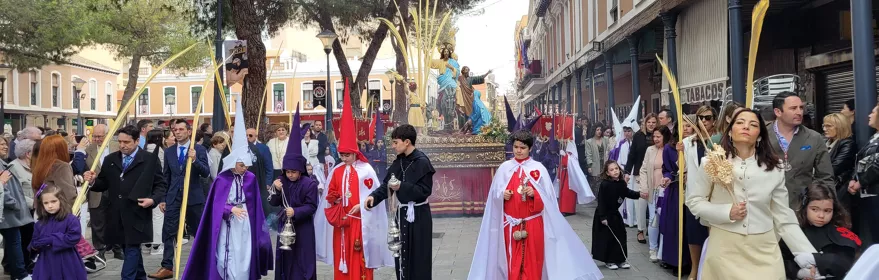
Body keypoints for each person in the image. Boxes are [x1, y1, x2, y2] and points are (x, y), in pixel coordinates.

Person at [686, 108, 819, 279]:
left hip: (765, 250)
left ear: (760, 135)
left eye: (753, 124)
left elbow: (783, 216)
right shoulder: (712, 163)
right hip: (724, 249)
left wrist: (807, 255)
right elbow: (694, 201)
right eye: (740, 122)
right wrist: (726, 212)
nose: (746, 127)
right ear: (730, 132)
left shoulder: (774, 168)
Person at [468, 129, 602, 280]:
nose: (518, 151)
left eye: (523, 147)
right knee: (511, 260)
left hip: (533, 224)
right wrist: (501, 195)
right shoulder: (504, 168)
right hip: (510, 224)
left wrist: (535, 194)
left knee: (533, 260)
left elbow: (549, 200)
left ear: (530, 148)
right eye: (516, 147)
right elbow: (494, 196)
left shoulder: (538, 169)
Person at [181, 101, 273, 280]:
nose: (245, 168)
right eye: (241, 165)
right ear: (233, 162)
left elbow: (256, 203)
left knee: (244, 252)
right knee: (226, 251)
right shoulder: (222, 180)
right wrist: (230, 209)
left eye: (247, 165)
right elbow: (214, 205)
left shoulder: (250, 178)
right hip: (227, 222)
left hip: (245, 222)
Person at [323, 87, 393, 280]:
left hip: (360, 221)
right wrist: (335, 199)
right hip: (342, 222)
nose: (344, 158)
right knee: (342, 257)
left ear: (355, 153)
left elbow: (374, 195)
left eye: (348, 154)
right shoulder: (337, 171)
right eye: (342, 155)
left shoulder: (367, 170)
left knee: (359, 257)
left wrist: (361, 205)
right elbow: (331, 193)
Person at [84, 125, 167, 280]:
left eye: (126, 142)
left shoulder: (149, 159)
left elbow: (160, 184)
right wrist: (92, 181)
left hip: (137, 212)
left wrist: (153, 200)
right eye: (120, 141)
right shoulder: (111, 159)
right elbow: (103, 183)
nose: (122, 145)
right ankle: (140, 277)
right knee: (128, 248)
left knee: (132, 248)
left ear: (137, 141)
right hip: (116, 214)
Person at [365, 124, 435, 280]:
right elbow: (387, 184)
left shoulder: (422, 162)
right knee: (401, 255)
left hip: (419, 215)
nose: (393, 146)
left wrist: (401, 186)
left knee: (419, 257)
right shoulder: (399, 162)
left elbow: (425, 191)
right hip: (401, 214)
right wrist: (374, 197)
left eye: (396, 142)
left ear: (407, 142)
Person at [151, 119, 210, 279]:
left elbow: (205, 172)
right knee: (168, 232)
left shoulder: (199, 149)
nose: (177, 132)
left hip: (193, 197)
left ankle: (204, 263)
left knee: (199, 231)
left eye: (181, 129)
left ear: (189, 131)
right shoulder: (169, 151)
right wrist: (163, 198)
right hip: (173, 197)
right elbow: (166, 176)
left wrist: (195, 160)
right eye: (175, 130)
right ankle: (167, 266)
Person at [268, 106, 319, 280]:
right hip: (285, 225)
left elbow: (312, 206)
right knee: (286, 257)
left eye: (294, 172)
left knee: (302, 259)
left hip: (303, 226)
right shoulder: (281, 180)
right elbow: (273, 202)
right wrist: (276, 190)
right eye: (287, 172)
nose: (290, 175)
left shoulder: (309, 184)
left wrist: (296, 211)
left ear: (300, 170)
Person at [766, 91, 834, 207]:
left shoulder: (814, 138)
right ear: (778, 112)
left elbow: (825, 177)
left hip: (802, 205)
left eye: (801, 108)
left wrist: (827, 205)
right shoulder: (761, 136)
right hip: (768, 205)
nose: (799, 112)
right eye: (793, 108)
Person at [780, 184, 860, 279]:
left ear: (834, 210)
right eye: (814, 209)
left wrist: (816, 259)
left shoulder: (840, 232)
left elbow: (846, 263)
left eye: (827, 211)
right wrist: (798, 272)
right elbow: (781, 261)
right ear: (805, 207)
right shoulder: (793, 232)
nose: (821, 215)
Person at [592, 160, 647, 270]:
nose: (615, 171)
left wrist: (639, 194)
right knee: (608, 238)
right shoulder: (605, 184)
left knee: (621, 235)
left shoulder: (621, 183)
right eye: (612, 170)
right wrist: (603, 217)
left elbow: (627, 192)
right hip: (604, 215)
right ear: (607, 173)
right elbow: (601, 201)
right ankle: (609, 260)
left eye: (616, 168)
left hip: (615, 214)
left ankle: (621, 259)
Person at [682, 107, 716, 279]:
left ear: (714, 120)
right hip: (694, 193)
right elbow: (683, 166)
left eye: (708, 117)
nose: (704, 121)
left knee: (713, 234)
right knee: (694, 233)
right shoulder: (688, 142)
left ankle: (710, 270)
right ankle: (695, 269)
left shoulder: (720, 141)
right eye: (700, 117)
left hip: (714, 195)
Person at [29, 185, 87, 279]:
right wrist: (34, 246)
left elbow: (73, 237)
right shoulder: (39, 224)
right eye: (46, 203)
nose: (50, 206)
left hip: (67, 261)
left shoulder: (71, 220)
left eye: (53, 201)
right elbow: (35, 241)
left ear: (61, 201)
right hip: (46, 262)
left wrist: (52, 239)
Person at [0, 136, 34, 280]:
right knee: (14, 242)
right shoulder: (7, 165)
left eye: (5, 144)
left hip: (9, 210)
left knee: (14, 242)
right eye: (1, 144)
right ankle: (20, 274)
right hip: (8, 211)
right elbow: (3, 188)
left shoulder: (3, 163)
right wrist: (14, 203)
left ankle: (19, 273)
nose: (5, 146)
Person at [847, 104, 879, 246]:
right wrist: (854, 178)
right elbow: (862, 161)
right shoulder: (874, 137)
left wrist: (860, 182)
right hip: (869, 192)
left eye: (873, 112)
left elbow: (877, 166)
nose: (869, 115)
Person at [639, 126, 671, 262]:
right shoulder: (650, 150)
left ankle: (663, 250)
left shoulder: (670, 149)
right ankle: (653, 248)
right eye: (654, 136)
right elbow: (643, 169)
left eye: (659, 136)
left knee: (665, 220)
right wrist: (644, 188)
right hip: (653, 190)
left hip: (667, 190)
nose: (656, 139)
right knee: (653, 219)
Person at [626, 113, 656, 243]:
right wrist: (627, 171)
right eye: (649, 122)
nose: (651, 125)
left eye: (653, 122)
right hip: (640, 173)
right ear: (645, 123)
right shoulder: (638, 136)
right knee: (641, 203)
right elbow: (632, 154)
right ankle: (640, 229)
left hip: (656, 173)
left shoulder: (659, 135)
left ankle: (653, 228)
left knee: (654, 203)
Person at [823, 113, 858, 210]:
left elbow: (835, 168)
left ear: (840, 127)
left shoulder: (848, 144)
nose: (824, 129)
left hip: (838, 189)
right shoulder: (825, 142)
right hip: (826, 188)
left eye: (828, 126)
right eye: (824, 126)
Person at [144, 129, 170, 255]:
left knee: (148, 216)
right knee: (158, 215)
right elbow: (163, 170)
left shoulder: (143, 150)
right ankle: (156, 245)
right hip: (156, 188)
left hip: (145, 188)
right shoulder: (159, 151)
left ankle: (147, 243)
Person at [247, 127, 276, 217]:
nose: (248, 137)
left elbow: (269, 167)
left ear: (256, 136)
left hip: (261, 181)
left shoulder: (263, 148)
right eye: (246, 135)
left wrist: (268, 182)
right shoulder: (242, 148)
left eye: (250, 135)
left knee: (261, 205)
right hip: (247, 182)